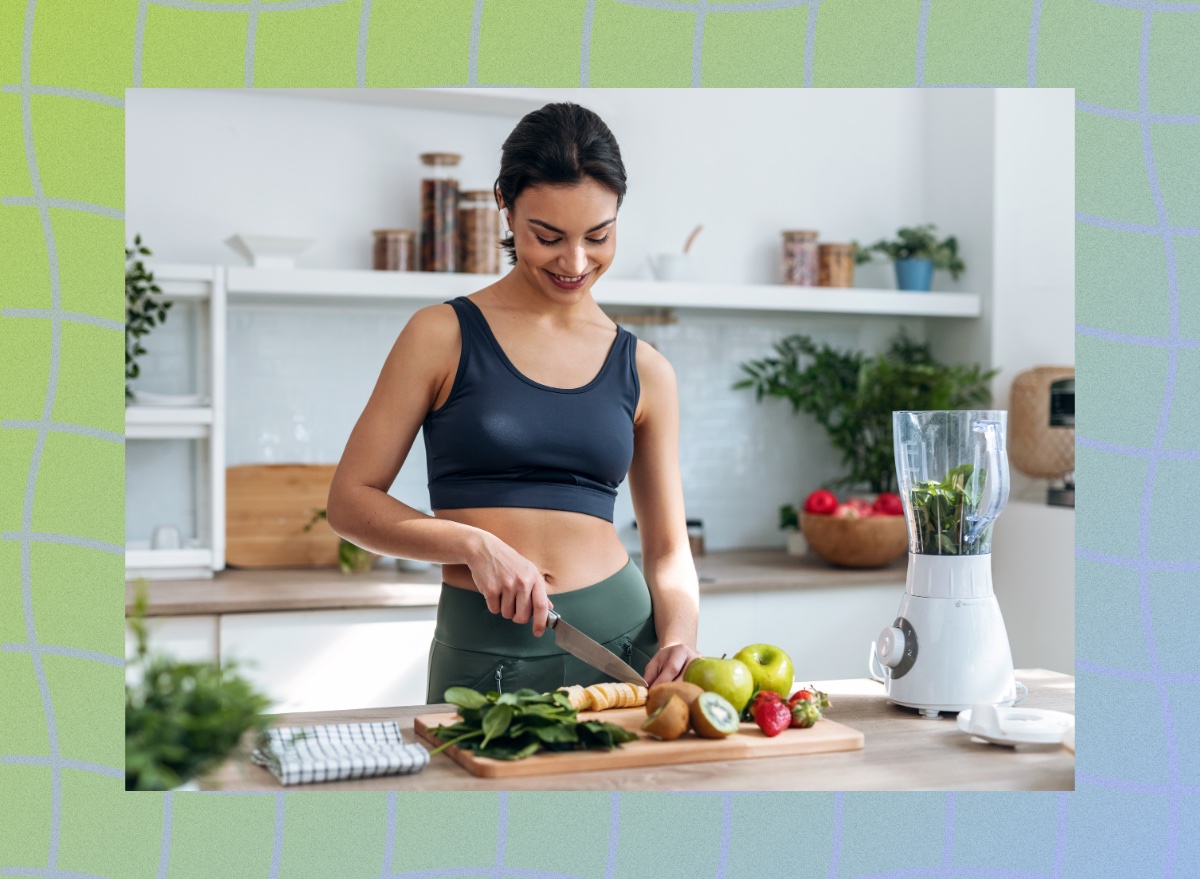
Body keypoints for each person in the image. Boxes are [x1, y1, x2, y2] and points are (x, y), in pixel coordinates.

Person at [326, 102, 701, 704]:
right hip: (483, 652)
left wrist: (680, 635)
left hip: (625, 647)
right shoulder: (440, 335)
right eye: (547, 236)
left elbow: (667, 550)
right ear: (505, 203)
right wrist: (470, 544)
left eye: (598, 237)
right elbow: (349, 503)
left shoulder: (646, 370)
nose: (575, 262)